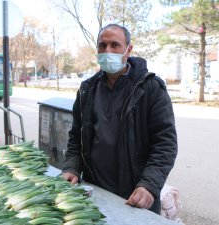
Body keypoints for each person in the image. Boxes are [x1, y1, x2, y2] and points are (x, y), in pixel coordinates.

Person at [61, 23, 178, 214]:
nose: (107, 51)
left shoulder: (150, 89)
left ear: (128, 49)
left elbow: (165, 143)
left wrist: (149, 185)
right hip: (95, 193)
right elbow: (76, 137)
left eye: (115, 45)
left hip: (135, 197)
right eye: (102, 45)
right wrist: (72, 168)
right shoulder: (87, 90)